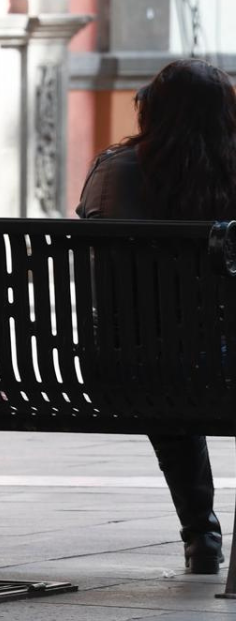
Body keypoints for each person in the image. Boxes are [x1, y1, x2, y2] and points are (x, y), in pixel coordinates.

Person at [76, 59, 236, 574]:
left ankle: (201, 532)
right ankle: (201, 533)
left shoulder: (112, 169)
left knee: (164, 368)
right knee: (186, 360)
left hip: (121, 370)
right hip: (219, 367)